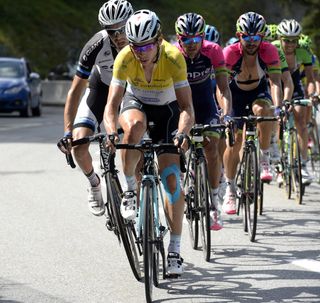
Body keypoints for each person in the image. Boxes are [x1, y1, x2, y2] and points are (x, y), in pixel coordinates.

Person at [103, 10, 194, 275]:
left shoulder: (174, 58)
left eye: (146, 46)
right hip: (137, 104)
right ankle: (131, 189)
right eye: (135, 46)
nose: (140, 52)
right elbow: (111, 106)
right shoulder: (125, 57)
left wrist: (182, 132)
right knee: (133, 127)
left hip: (167, 111)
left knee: (171, 179)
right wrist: (111, 131)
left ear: (158, 40)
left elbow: (187, 107)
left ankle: (175, 250)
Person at [59, 0, 134, 217]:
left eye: (122, 29)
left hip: (131, 92)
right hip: (101, 89)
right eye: (112, 31)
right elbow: (75, 91)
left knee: (133, 142)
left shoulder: (141, 41)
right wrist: (67, 131)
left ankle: (137, 194)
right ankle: (94, 183)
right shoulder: (95, 45)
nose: (118, 36)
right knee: (79, 143)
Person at [174, 13, 232, 230]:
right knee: (179, 143)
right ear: (179, 39)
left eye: (196, 40)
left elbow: (223, 88)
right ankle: (183, 174)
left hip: (206, 103)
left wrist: (225, 114)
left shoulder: (213, 51)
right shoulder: (173, 54)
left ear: (202, 38)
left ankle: (214, 201)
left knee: (212, 148)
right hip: (181, 106)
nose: (191, 45)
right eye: (186, 40)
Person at [222, 12, 283, 214]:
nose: (251, 42)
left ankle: (264, 158)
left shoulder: (269, 51)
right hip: (235, 95)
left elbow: (275, 82)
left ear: (262, 38)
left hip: (259, 91)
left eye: (255, 37)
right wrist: (226, 112)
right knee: (235, 142)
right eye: (246, 37)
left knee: (264, 110)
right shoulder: (230, 53)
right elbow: (221, 86)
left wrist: (279, 107)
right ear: (239, 35)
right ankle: (230, 189)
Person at [274, 19, 318, 185]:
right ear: (280, 38)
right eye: (287, 40)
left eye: (294, 40)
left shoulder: (304, 50)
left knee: (300, 120)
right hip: (276, 81)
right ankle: (278, 162)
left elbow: (311, 78)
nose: (291, 44)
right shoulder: (274, 48)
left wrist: (312, 94)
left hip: (295, 82)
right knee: (278, 120)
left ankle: (304, 166)